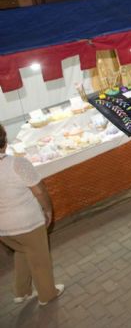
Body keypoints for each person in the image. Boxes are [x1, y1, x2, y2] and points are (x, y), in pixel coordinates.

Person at [0, 124, 64, 306]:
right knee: (39, 259)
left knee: (22, 251)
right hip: (27, 223)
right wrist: (48, 209)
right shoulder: (17, 164)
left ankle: (21, 292)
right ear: (4, 142)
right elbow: (40, 191)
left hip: (4, 230)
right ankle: (47, 295)